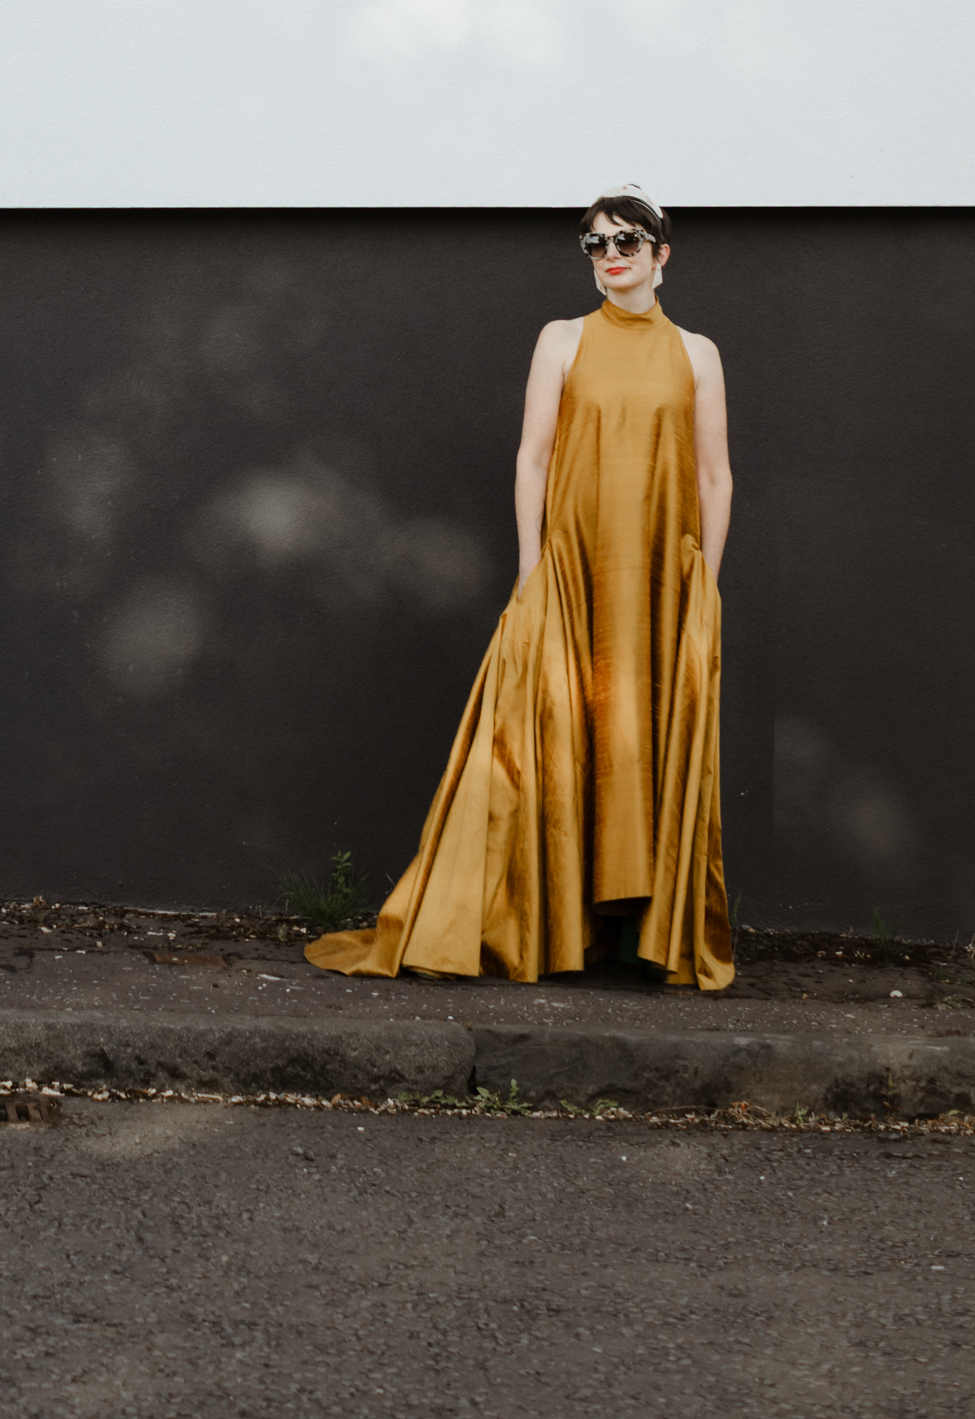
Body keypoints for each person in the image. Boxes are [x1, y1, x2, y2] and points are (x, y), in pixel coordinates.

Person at [307, 190, 733, 990]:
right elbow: (532, 457)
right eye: (597, 243)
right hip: (574, 570)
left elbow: (714, 472)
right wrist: (531, 565)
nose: (612, 254)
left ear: (663, 254)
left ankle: (643, 937)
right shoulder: (561, 339)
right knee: (554, 740)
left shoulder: (699, 354)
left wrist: (704, 581)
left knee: (644, 744)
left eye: (629, 241)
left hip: (661, 584)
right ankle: (548, 931)